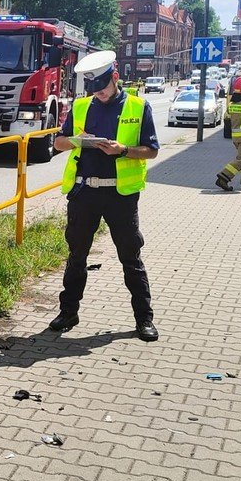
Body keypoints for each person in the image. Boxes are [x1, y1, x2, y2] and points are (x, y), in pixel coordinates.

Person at [49, 50, 160, 342]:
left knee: (130, 258)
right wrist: (78, 141)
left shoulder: (138, 107)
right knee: (76, 256)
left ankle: (144, 319)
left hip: (120, 195)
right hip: (84, 192)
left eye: (102, 87)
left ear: (115, 77)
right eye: (93, 89)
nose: (98, 93)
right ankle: (68, 311)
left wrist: (122, 150)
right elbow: (59, 143)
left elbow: (152, 150)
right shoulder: (82, 106)